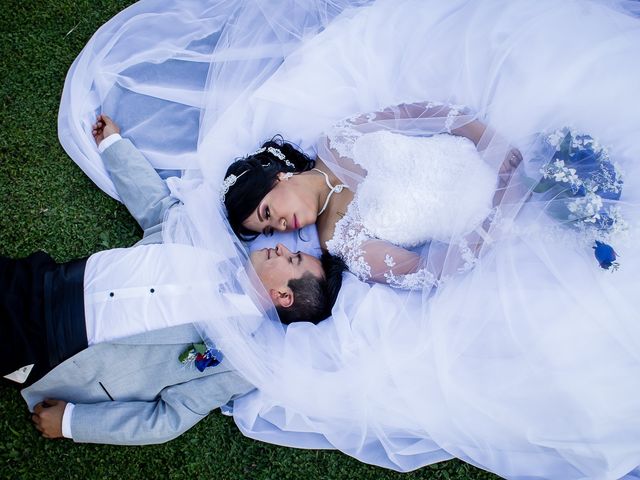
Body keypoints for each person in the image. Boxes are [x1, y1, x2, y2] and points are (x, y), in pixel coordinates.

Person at [54, 0, 640, 478]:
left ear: (278, 176)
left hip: (496, 146)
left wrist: (491, 140)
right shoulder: (342, 240)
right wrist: (503, 208)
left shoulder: (341, 138)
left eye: (265, 210)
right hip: (498, 220)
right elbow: (427, 267)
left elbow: (425, 112)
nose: (278, 227)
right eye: (265, 230)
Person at [2, 115, 345, 444]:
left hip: (54, 347)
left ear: (283, 296)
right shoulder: (212, 242)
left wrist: (72, 422)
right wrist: (114, 145)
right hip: (49, 280)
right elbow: (156, 204)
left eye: (293, 259)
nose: (281, 248)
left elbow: (168, 417)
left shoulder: (238, 363)